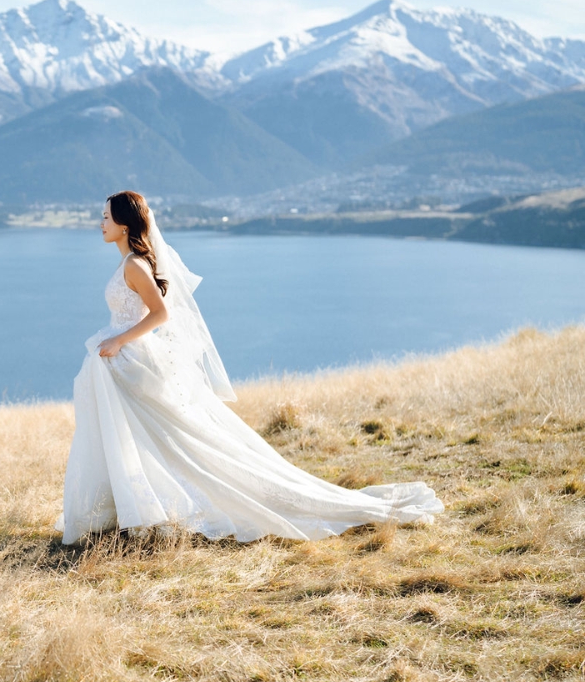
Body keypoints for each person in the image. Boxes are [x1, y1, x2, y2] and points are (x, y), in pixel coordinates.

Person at [58, 191, 443, 545]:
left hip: (129, 357)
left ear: (124, 224)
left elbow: (161, 313)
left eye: (106, 216)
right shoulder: (130, 262)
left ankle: (159, 508)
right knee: (131, 437)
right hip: (122, 361)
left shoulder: (135, 266)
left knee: (168, 437)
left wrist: (120, 340)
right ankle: (131, 510)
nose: (100, 222)